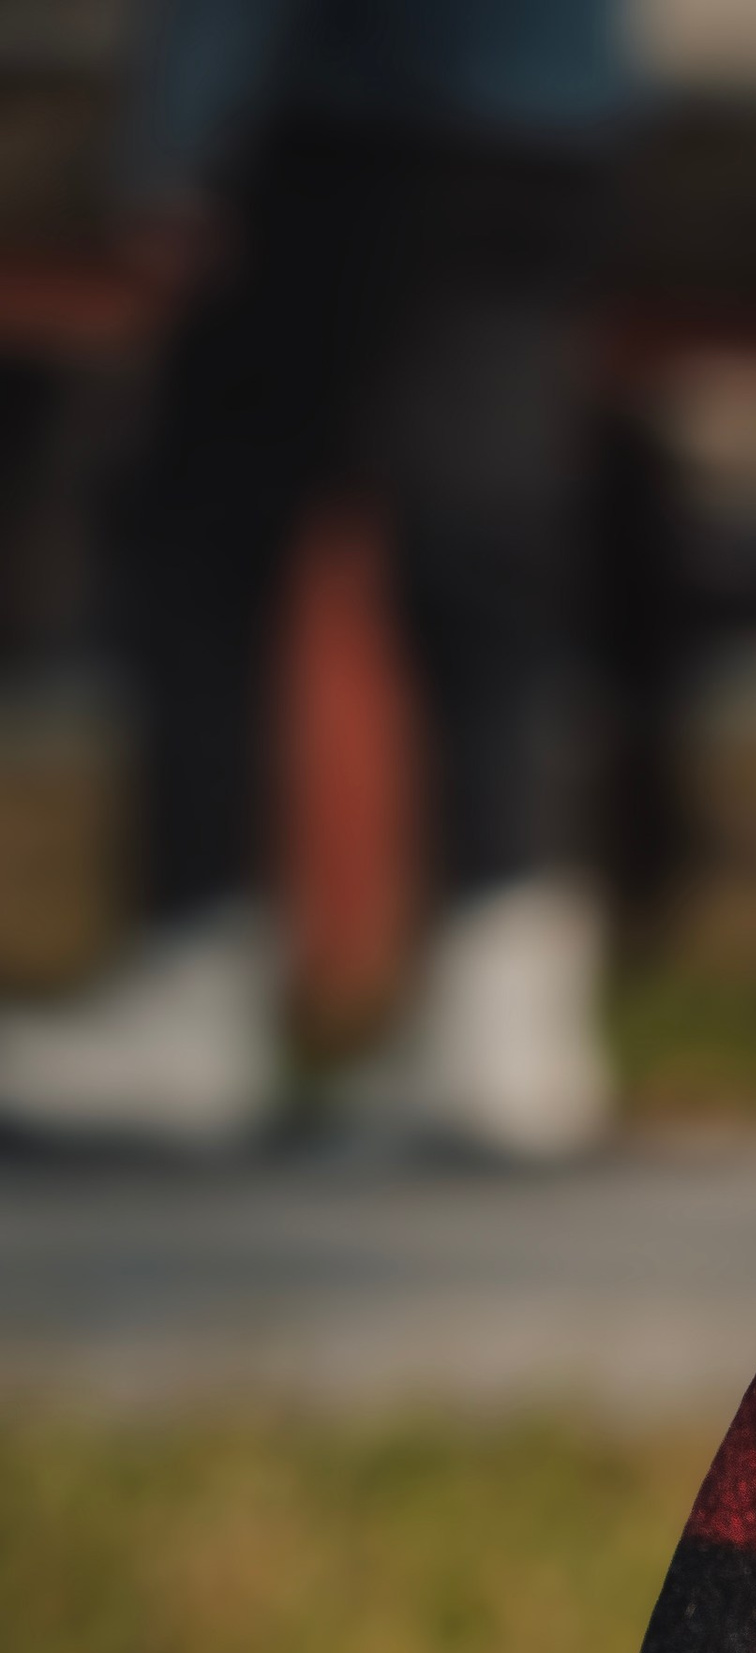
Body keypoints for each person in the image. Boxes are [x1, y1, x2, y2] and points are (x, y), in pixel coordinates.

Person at [0, 0, 633, 1159]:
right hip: (551, 110)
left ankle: (196, 980)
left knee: (202, 537)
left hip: (346, 110)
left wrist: (178, 138)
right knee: (479, 546)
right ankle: (507, 1006)